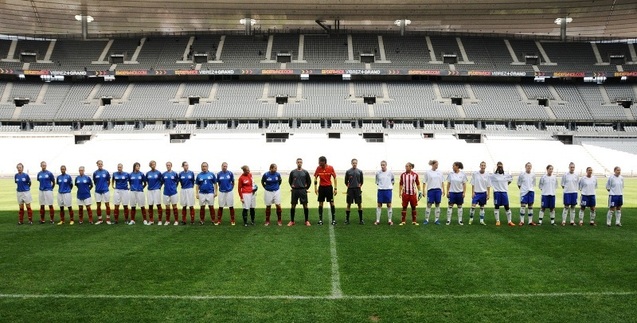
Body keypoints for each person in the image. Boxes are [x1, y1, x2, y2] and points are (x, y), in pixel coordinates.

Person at [314, 156, 338, 225]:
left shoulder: (330, 168)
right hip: (321, 188)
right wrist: (315, 188)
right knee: (320, 203)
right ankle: (320, 220)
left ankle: (333, 220)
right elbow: (315, 178)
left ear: (323, 162)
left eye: (319, 162)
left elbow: (335, 178)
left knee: (332, 203)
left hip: (329, 188)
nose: (318, 163)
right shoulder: (318, 168)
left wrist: (335, 188)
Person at [289, 158, 311, 226]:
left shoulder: (305, 172)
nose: (299, 163)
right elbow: (290, 181)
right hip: (295, 190)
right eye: (298, 162)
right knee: (293, 205)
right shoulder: (293, 172)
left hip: (302, 190)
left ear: (302, 163)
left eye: (300, 162)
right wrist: (293, 186)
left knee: (305, 205)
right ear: (296, 163)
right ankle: (292, 221)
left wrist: (306, 188)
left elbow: (309, 181)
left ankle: (306, 221)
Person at [490, 162, 513, 226]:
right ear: (497, 167)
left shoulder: (506, 174)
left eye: (501, 166)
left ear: (503, 167)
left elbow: (510, 180)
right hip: (497, 192)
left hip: (504, 192)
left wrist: (505, 185)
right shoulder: (493, 175)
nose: (500, 168)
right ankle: (497, 221)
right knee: (497, 206)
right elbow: (489, 181)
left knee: (507, 206)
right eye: (499, 166)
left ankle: (509, 221)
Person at [423, 160, 444, 225]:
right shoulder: (428, 172)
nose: (437, 166)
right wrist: (424, 191)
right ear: (432, 164)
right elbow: (424, 182)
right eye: (436, 164)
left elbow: (442, 182)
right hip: (431, 190)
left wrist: (443, 190)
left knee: (437, 204)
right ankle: (426, 219)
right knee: (429, 204)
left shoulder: (440, 172)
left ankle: (436, 220)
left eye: (437, 164)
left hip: (438, 190)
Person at [469, 161, 490, 225]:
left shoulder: (487, 175)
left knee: (482, 207)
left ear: (485, 167)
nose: (483, 167)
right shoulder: (475, 174)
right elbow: (473, 184)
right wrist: (472, 192)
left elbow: (488, 185)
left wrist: (488, 194)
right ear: (480, 166)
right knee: (473, 207)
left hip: (483, 193)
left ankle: (481, 220)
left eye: (484, 165)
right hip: (476, 193)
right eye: (482, 165)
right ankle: (471, 219)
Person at [345, 158, 364, 225]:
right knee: (348, 204)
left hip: (357, 190)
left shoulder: (360, 171)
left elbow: (362, 181)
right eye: (353, 163)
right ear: (351, 163)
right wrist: (349, 186)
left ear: (357, 163)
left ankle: (361, 220)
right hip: (350, 190)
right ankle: (347, 220)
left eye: (355, 163)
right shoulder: (348, 171)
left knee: (359, 204)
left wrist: (359, 186)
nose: (354, 164)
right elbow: (346, 181)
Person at [375, 160, 394, 225]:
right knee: (379, 205)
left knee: (389, 204)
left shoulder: (390, 172)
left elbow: (392, 181)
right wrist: (381, 186)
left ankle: (389, 220)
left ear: (386, 165)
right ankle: (377, 220)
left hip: (388, 190)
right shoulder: (378, 173)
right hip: (380, 190)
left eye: (383, 165)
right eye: (381, 165)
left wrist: (388, 186)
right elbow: (377, 182)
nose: (382, 166)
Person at [93, 160, 112, 225]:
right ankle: (100, 219)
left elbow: (109, 181)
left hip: (105, 190)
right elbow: (95, 182)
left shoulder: (106, 172)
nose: (100, 165)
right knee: (98, 205)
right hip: (97, 191)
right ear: (97, 165)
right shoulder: (95, 173)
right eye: (99, 164)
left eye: (101, 164)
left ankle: (108, 219)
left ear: (102, 164)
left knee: (107, 205)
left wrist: (105, 187)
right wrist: (99, 187)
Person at [517, 162, 536, 226]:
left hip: (531, 191)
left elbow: (533, 184)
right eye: (528, 166)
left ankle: (530, 221)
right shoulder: (522, 174)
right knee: (523, 206)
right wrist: (523, 190)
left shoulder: (533, 175)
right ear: (525, 167)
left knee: (530, 206)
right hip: (524, 192)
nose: (529, 167)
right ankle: (522, 221)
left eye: (530, 166)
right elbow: (519, 184)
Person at [162, 161, 180, 226]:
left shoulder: (175, 174)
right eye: (167, 165)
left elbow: (177, 182)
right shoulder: (164, 174)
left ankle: (176, 221)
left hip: (173, 192)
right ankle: (167, 220)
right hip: (166, 192)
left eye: (169, 165)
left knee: (174, 206)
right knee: (167, 207)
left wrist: (174, 187)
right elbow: (163, 182)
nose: (168, 166)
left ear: (171, 166)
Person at [146, 160, 163, 225]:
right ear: (150, 165)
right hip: (150, 190)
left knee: (158, 204)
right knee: (150, 205)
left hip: (156, 190)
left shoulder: (158, 173)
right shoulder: (148, 173)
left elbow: (161, 181)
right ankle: (151, 220)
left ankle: (160, 220)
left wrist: (159, 187)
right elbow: (147, 181)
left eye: (154, 164)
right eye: (152, 164)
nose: (153, 165)